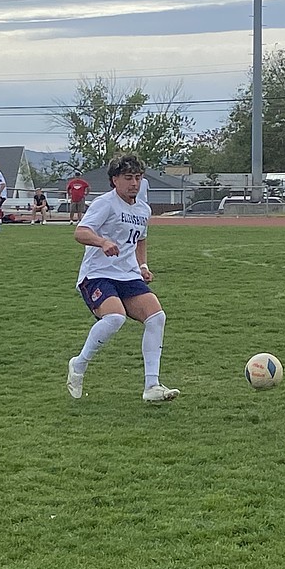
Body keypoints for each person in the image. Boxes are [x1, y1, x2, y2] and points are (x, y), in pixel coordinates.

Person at [66, 152, 179, 403]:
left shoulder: (143, 209)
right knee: (115, 317)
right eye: (128, 177)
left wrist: (143, 266)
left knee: (157, 317)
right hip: (97, 274)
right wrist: (102, 242)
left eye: (138, 177)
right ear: (114, 180)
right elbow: (80, 232)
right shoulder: (105, 203)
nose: (134, 183)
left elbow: (140, 239)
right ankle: (79, 364)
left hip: (128, 275)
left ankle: (152, 386)